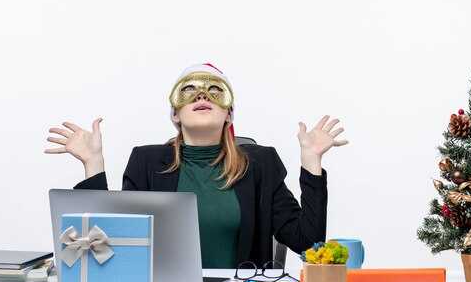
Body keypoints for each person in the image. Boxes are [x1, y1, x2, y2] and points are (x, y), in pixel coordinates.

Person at [44, 63, 349, 268]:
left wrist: (312, 162)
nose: (202, 95)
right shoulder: (146, 162)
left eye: (215, 91)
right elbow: (108, 245)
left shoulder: (260, 164)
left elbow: (307, 244)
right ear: (175, 115)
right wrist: (93, 163)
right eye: (189, 90)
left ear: (229, 114)